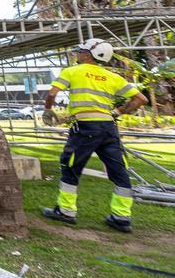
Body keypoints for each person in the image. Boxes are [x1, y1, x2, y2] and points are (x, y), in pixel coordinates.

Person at [41, 38, 148, 233]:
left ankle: (65, 211)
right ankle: (121, 217)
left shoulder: (72, 71)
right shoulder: (112, 76)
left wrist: (48, 110)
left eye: (80, 51)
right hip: (108, 128)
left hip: (84, 128)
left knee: (71, 166)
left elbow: (52, 93)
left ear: (88, 54)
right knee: (120, 171)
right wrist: (117, 113)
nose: (78, 54)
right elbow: (141, 99)